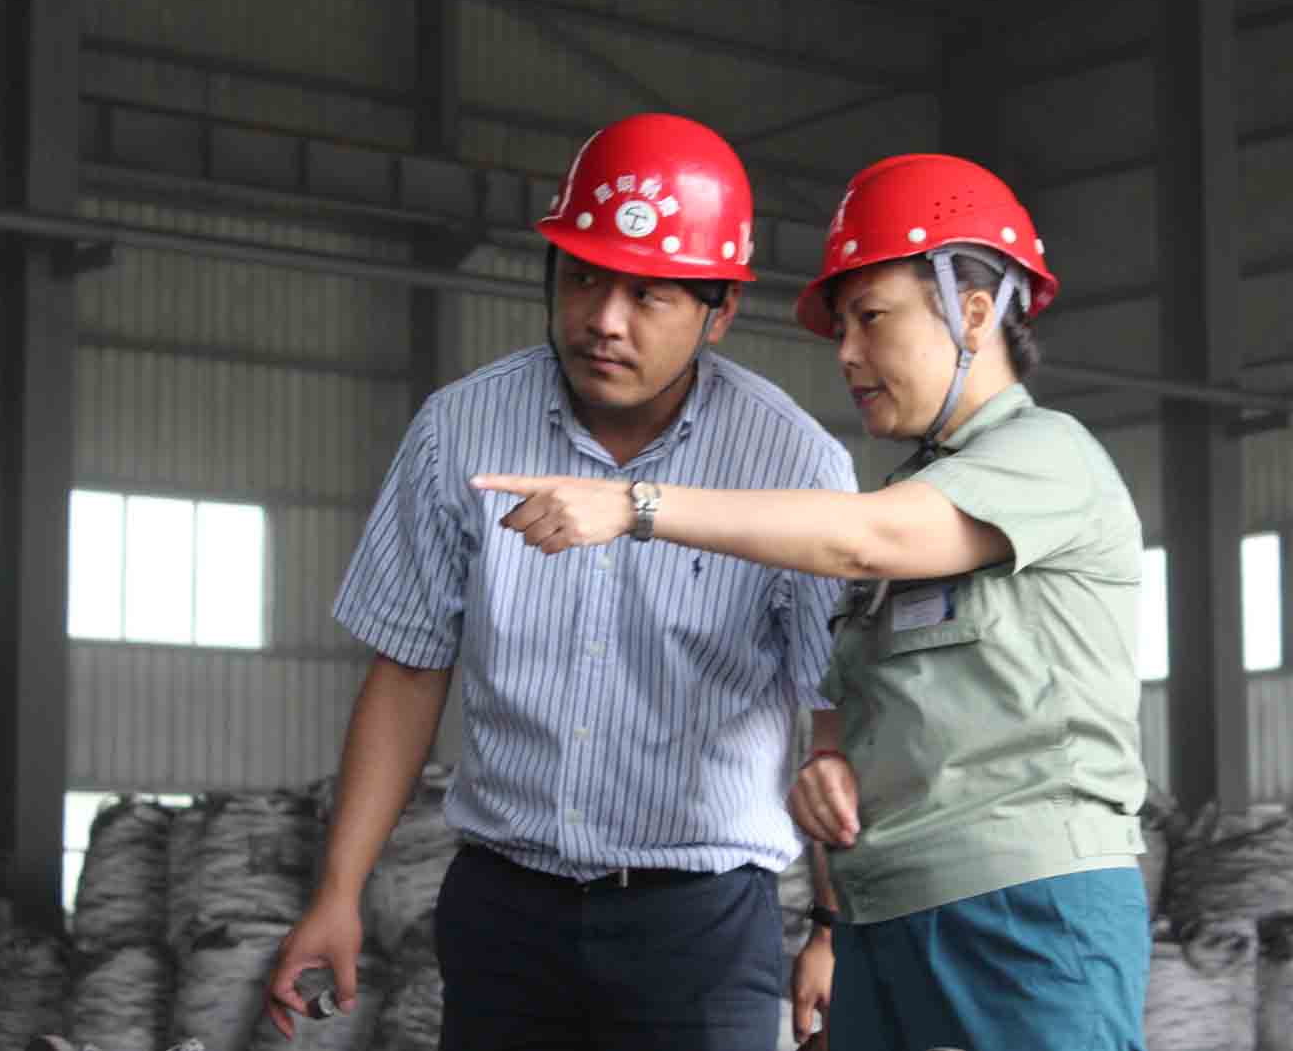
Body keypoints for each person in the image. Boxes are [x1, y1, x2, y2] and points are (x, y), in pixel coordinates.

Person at [476, 153, 1152, 1051]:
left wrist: (636, 505)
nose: (846, 355)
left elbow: (865, 537)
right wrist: (829, 765)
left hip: (1022, 912)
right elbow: (880, 691)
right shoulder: (913, 494)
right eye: (840, 328)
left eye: (871, 317)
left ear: (973, 313)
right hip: (892, 909)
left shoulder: (1046, 457)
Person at [264, 113, 855, 1051]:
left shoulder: (794, 467)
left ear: (719, 311)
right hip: (505, 915)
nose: (604, 320)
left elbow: (832, 714)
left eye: (648, 294)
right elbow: (409, 669)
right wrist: (337, 894)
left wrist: (832, 926)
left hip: (698, 927)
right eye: (583, 277)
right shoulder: (461, 430)